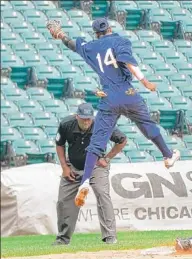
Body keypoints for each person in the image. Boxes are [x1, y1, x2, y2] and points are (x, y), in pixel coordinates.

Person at [46, 18, 180, 208]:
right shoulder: (120, 41)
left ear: (96, 32)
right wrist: (145, 82)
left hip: (108, 97)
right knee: (148, 126)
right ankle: (167, 155)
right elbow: (128, 63)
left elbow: (70, 42)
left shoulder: (90, 46)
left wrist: (59, 34)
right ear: (109, 28)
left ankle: (84, 181)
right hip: (128, 93)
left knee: (97, 142)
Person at [53, 103, 127, 245]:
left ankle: (110, 236)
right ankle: (63, 238)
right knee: (63, 201)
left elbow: (122, 140)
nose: (86, 121)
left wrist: (107, 158)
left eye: (89, 119)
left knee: (102, 194)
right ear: (77, 116)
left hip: (96, 166)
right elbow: (60, 144)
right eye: (83, 119)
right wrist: (64, 167)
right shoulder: (66, 124)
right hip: (73, 166)